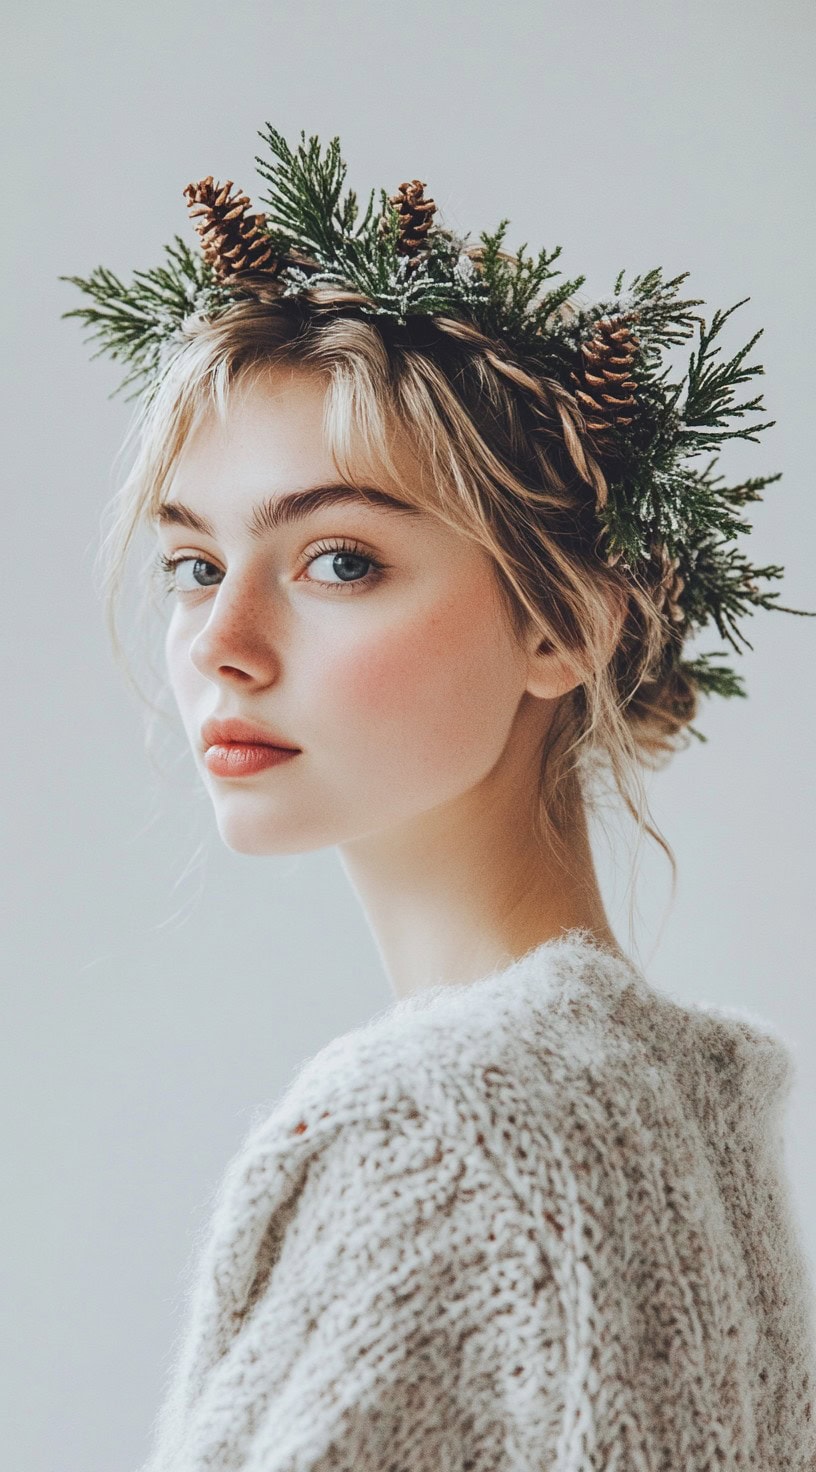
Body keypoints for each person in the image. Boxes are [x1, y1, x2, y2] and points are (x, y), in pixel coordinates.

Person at [63, 126, 816, 1470]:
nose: (222, 638)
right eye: (191, 562)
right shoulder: (683, 1114)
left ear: (564, 627)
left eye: (339, 559)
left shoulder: (434, 1131)